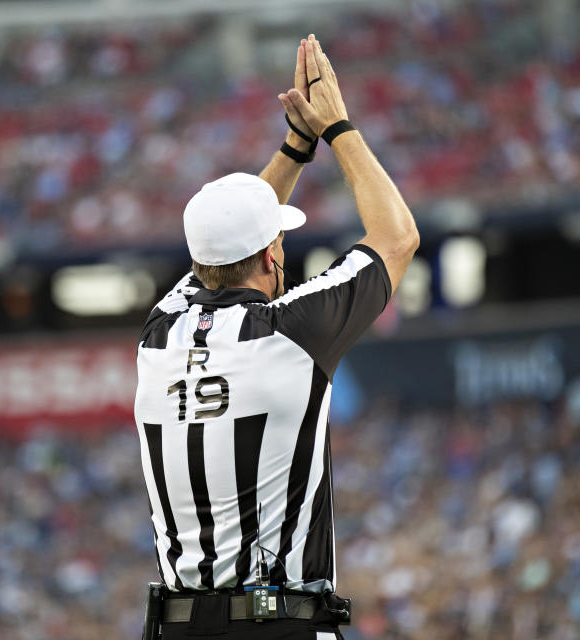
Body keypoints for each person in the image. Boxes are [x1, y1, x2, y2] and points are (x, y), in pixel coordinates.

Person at [134, 35, 419, 640]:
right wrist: (336, 127)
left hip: (178, 631)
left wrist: (294, 147)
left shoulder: (158, 336)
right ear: (271, 254)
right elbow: (396, 238)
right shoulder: (292, 332)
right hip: (277, 626)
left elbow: (221, 253)